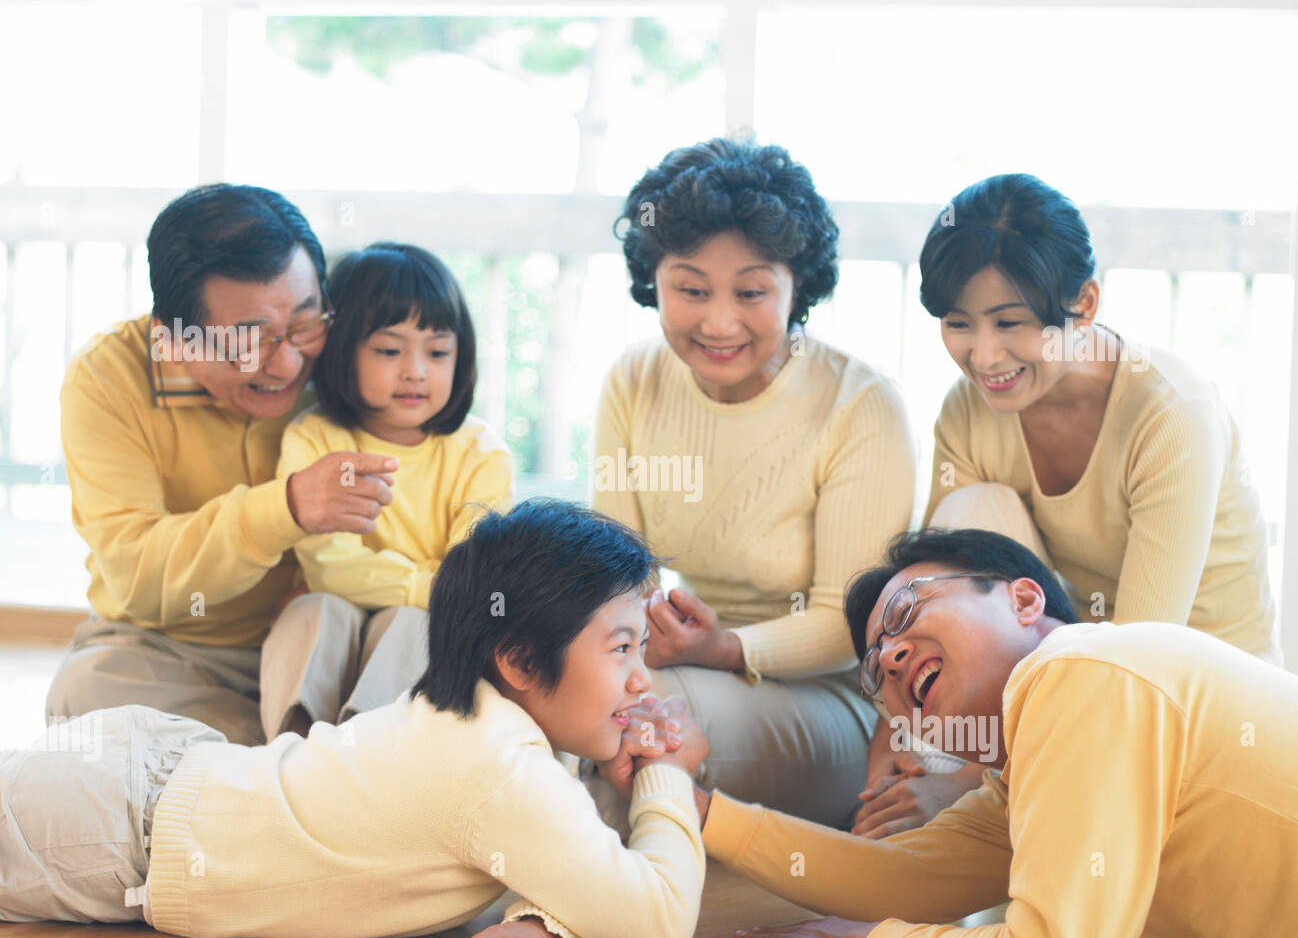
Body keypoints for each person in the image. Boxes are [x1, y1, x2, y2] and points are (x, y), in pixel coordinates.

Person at [2, 501, 708, 938]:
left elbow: (575, 863)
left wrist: (547, 928)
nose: (643, 677)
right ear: (520, 662)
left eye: (641, 647)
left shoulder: (478, 715)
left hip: (152, 785)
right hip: (117, 830)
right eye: (621, 648)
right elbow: (660, 919)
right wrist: (667, 779)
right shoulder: (499, 768)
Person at [689, 527, 1298, 938]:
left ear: (1025, 601)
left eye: (906, 614)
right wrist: (700, 812)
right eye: (875, 671)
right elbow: (900, 879)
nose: (893, 658)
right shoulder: (1030, 766)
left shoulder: (1084, 672)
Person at [855, 173, 1281, 836]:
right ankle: (967, 792)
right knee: (967, 523)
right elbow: (933, 592)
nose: (983, 355)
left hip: (1186, 694)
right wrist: (894, 735)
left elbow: (1138, 659)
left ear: (1083, 303)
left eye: (1010, 324)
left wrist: (964, 791)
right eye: (958, 324)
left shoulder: (1171, 411)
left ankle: (991, 799)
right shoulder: (969, 412)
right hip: (1072, 659)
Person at [592, 137, 918, 827]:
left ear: (799, 288)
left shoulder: (859, 404)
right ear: (655, 281)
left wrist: (729, 648)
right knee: (575, 696)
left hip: (833, 706)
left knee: (637, 715)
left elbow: (853, 623)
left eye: (751, 292)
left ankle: (572, 916)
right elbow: (611, 572)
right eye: (690, 289)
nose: (719, 321)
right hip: (680, 671)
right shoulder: (633, 380)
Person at [46, 184, 399, 745]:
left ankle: (269, 771)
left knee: (413, 637)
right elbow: (138, 576)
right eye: (247, 341)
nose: (286, 363)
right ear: (172, 339)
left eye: (305, 322)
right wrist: (286, 508)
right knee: (86, 694)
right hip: (177, 651)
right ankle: (313, 770)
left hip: (331, 639)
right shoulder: (106, 379)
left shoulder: (347, 348)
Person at [260, 243, 513, 739]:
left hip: (422, 622)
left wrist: (428, 595)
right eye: (389, 350)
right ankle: (287, 755)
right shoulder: (314, 438)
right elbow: (328, 565)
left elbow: (474, 576)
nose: (415, 370)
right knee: (312, 609)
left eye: (438, 352)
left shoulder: (481, 453)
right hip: (347, 606)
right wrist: (431, 586)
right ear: (344, 349)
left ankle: (367, 762)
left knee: (410, 621)